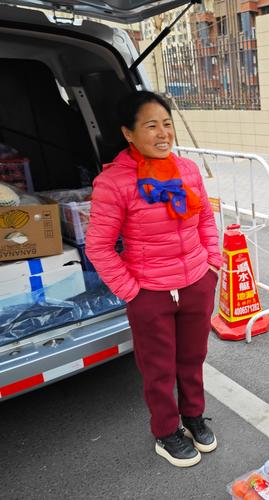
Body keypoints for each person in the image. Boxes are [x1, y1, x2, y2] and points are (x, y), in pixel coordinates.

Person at [86, 91, 222, 468]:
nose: (163, 133)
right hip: (150, 292)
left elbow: (207, 220)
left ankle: (193, 416)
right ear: (129, 133)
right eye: (151, 126)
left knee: (193, 358)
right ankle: (166, 432)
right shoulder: (114, 183)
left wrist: (212, 263)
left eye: (167, 124)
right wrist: (133, 291)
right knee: (159, 369)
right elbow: (98, 246)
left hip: (196, 282)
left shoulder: (187, 170)